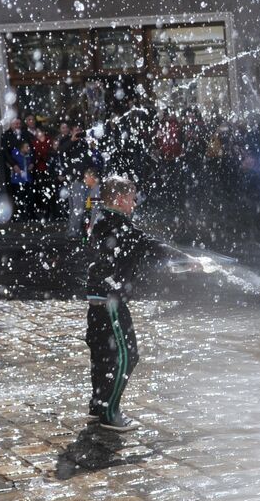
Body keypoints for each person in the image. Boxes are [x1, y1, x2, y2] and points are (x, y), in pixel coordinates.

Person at [85, 175, 200, 430]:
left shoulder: (100, 219)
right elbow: (150, 245)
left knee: (102, 355)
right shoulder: (120, 226)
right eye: (130, 198)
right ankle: (110, 413)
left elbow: (132, 251)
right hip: (110, 302)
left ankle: (98, 404)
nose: (133, 203)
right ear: (118, 198)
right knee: (127, 355)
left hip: (97, 301)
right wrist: (184, 258)